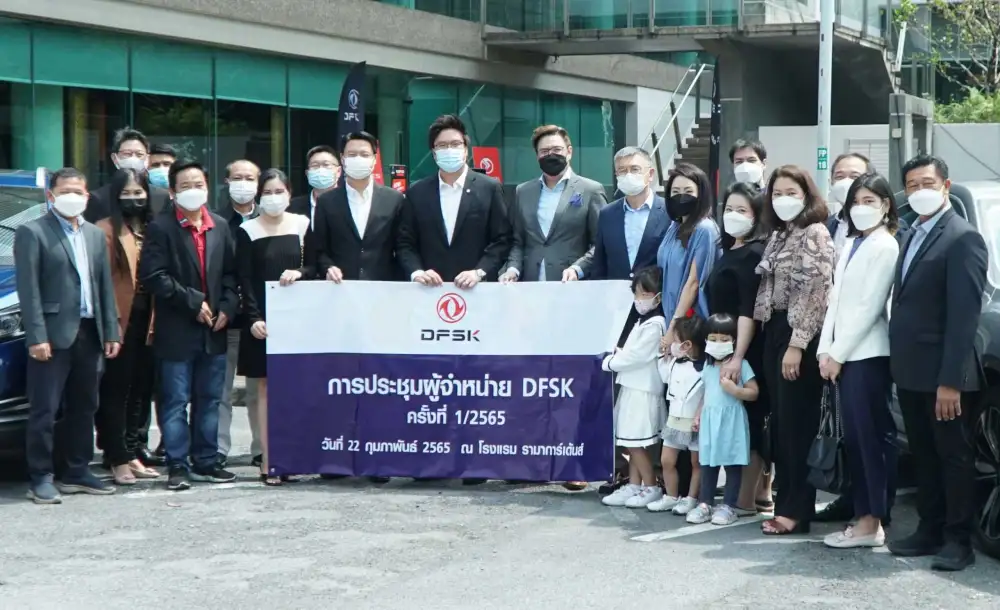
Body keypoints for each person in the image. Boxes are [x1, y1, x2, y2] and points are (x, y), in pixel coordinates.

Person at [887, 155, 988, 571]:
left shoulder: (962, 238)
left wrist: (951, 381)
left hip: (944, 375)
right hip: (911, 370)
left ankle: (958, 540)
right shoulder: (911, 233)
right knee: (923, 455)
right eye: (911, 185)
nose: (919, 191)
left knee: (953, 457)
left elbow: (965, 318)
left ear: (945, 186)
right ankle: (929, 529)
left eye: (927, 183)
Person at [15, 167, 121, 503]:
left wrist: (111, 330)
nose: (72, 197)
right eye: (65, 192)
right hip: (52, 334)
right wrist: (36, 336)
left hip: (89, 332)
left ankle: (77, 470)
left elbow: (104, 287)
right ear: (51, 196)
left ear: (87, 196)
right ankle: (41, 476)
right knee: (44, 409)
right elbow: (28, 289)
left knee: (85, 406)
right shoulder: (33, 232)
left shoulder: (94, 234)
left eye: (78, 191)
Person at [138, 160, 240, 491]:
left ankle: (206, 461)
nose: (193, 191)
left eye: (199, 185)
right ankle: (177, 465)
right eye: (185, 186)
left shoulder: (220, 225)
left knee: (210, 399)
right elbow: (154, 276)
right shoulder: (161, 227)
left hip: (215, 331)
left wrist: (227, 307)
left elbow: (230, 274)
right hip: (177, 330)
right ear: (172, 192)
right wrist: (193, 302)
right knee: (175, 401)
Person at [578, 146, 670, 495]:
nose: (627, 175)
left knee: (655, 392)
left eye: (634, 169)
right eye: (621, 170)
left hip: (656, 311)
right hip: (618, 312)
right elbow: (600, 263)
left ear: (650, 174)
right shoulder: (608, 214)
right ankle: (619, 470)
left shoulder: (667, 212)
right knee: (617, 391)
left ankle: (660, 472)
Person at [817, 172, 901, 549]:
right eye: (856, 201)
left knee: (870, 440)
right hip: (844, 355)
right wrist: (825, 350)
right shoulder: (853, 243)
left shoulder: (885, 245)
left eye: (870, 201)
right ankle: (863, 516)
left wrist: (838, 353)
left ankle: (872, 522)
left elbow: (870, 307)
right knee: (855, 439)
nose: (862, 208)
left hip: (867, 355)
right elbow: (835, 301)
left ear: (885, 206)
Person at [754, 164, 835, 536]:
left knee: (796, 426)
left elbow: (816, 292)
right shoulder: (779, 233)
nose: (783, 199)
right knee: (782, 424)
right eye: (777, 193)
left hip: (797, 334)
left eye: (791, 193)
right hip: (773, 330)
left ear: (806, 196)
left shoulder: (814, 232)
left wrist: (797, 344)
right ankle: (785, 503)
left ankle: (795, 510)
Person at [237, 169, 312, 486]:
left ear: (289, 193)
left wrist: (300, 272)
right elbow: (244, 279)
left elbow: (315, 265)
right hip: (262, 322)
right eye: (267, 192)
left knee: (295, 389)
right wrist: (253, 318)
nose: (273, 197)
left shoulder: (302, 224)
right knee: (266, 389)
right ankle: (269, 460)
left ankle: (292, 456)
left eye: (279, 191)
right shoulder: (247, 230)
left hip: (298, 320)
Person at [706, 182, 772, 515]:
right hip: (725, 347)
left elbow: (749, 311)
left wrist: (737, 357)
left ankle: (747, 497)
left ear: (757, 215)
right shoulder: (730, 250)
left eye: (742, 210)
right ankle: (748, 494)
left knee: (750, 421)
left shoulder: (755, 254)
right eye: (729, 209)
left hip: (746, 349)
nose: (733, 215)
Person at [94, 169, 161, 485]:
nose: (133, 199)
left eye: (139, 192)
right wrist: (110, 326)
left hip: (150, 321)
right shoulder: (105, 230)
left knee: (140, 390)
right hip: (120, 320)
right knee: (116, 390)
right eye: (126, 193)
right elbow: (102, 283)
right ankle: (116, 456)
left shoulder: (154, 228)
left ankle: (132, 451)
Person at [398, 114, 511, 290]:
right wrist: (417, 272)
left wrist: (479, 272)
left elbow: (502, 239)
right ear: (434, 153)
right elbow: (405, 243)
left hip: (477, 290)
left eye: (455, 144)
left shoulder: (489, 188)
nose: (449, 149)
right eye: (442, 145)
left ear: (466, 150)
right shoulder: (417, 192)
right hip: (429, 290)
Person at [499, 124, 608, 284]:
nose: (551, 155)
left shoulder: (591, 190)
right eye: (544, 151)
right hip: (530, 284)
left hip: (572, 285)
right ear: (537, 156)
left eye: (557, 150)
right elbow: (518, 241)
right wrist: (512, 269)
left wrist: (578, 269)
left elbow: (601, 241)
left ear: (569, 152)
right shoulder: (523, 191)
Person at [296, 132, 406, 285]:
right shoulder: (326, 202)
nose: (358, 159)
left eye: (364, 154)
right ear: (342, 159)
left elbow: (402, 246)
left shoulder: (394, 199)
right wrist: (328, 267)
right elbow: (319, 250)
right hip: (340, 287)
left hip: (382, 287)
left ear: (374, 159)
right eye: (352, 155)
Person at [600, 266, 667, 508]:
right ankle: (635, 484)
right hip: (631, 386)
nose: (639, 299)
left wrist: (609, 362)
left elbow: (636, 356)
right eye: (636, 294)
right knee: (631, 439)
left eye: (644, 294)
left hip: (642, 389)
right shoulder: (642, 322)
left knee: (634, 442)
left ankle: (650, 486)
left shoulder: (656, 324)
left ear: (657, 296)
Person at [685, 313, 758, 526]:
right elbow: (706, 394)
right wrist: (698, 415)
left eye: (724, 339)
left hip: (732, 422)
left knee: (732, 463)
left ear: (734, 340)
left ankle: (728, 506)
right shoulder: (708, 367)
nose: (718, 343)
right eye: (713, 339)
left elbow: (754, 392)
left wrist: (735, 390)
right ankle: (705, 503)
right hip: (710, 423)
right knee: (708, 463)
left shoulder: (741, 365)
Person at [217, 159, 262, 469]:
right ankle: (218, 448)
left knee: (260, 389)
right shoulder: (217, 221)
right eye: (237, 177)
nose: (243, 183)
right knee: (220, 388)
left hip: (260, 320)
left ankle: (262, 449)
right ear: (227, 181)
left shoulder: (271, 219)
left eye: (249, 178)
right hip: (227, 318)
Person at [656, 162, 720, 346]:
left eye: (688, 191)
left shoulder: (704, 229)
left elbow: (693, 283)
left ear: (701, 194)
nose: (681, 196)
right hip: (670, 318)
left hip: (688, 325)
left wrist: (673, 329)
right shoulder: (674, 227)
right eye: (675, 191)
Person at [647, 315, 704, 515]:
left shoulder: (704, 369)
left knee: (696, 463)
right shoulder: (673, 362)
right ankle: (671, 496)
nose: (672, 344)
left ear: (687, 345)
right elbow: (664, 377)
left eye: (676, 341)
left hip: (695, 422)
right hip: (674, 420)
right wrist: (663, 358)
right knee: (667, 460)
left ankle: (691, 499)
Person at [84, 127, 171, 223]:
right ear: (114, 158)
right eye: (127, 154)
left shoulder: (161, 196)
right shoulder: (98, 198)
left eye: (139, 154)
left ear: (147, 158)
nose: (133, 158)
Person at [824, 153, 873, 253]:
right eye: (839, 177)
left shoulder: (885, 226)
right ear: (831, 183)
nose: (846, 182)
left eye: (854, 176)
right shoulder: (827, 225)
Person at [289, 145, 341, 226]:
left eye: (326, 165)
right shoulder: (292, 207)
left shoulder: (349, 204)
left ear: (338, 171)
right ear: (307, 173)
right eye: (315, 165)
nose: (320, 169)